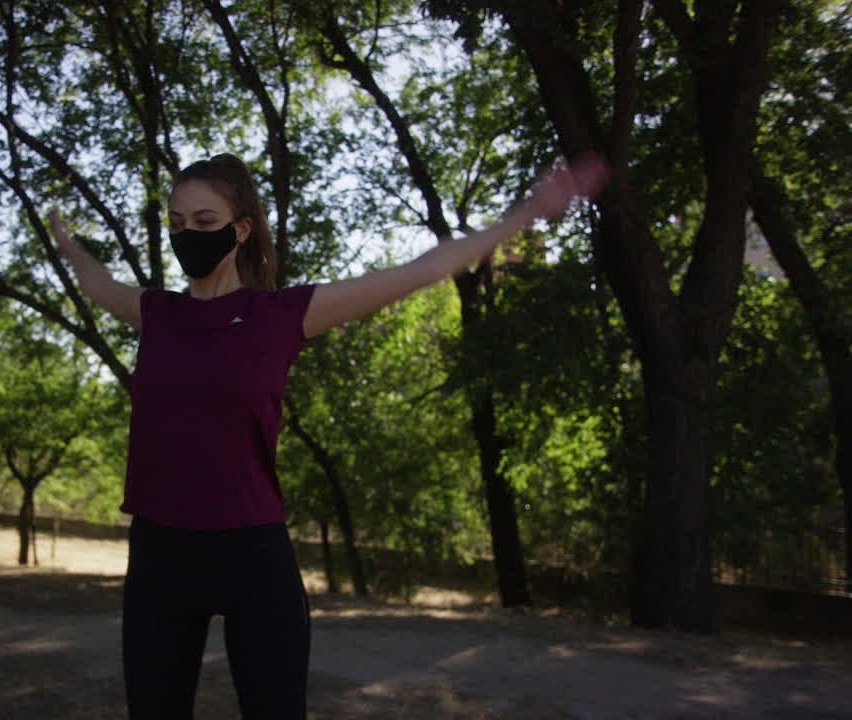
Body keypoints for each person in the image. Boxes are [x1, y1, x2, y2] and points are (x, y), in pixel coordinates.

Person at [49, 152, 607, 719]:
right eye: (176, 222)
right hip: (160, 555)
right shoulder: (157, 315)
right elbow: (97, 284)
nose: (186, 234)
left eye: (204, 222)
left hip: (251, 555)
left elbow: (418, 271)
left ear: (241, 230)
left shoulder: (282, 314)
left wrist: (527, 212)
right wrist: (64, 240)